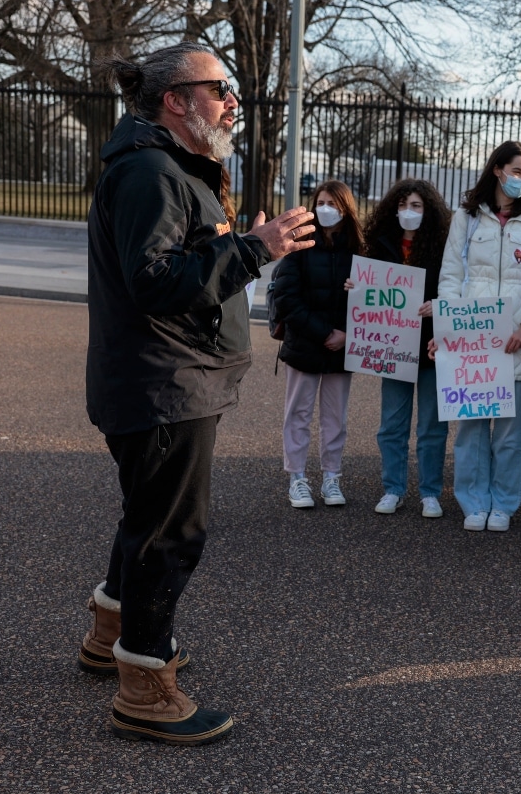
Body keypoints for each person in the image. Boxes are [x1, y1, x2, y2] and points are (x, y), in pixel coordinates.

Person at [80, 42, 315, 745]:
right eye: (220, 89)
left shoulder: (164, 165)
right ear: (176, 101)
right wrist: (254, 248)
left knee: (146, 517)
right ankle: (145, 689)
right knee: (170, 533)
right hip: (163, 384)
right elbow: (155, 281)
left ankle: (110, 638)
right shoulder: (153, 171)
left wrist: (240, 246)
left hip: (166, 380)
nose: (232, 101)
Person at [435, 140, 521, 532]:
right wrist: (449, 327)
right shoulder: (467, 217)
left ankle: (504, 504)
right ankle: (473, 502)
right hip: (473, 344)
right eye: (516, 171)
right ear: (497, 170)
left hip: (517, 345)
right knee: (471, 431)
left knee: (509, 436)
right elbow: (451, 277)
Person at [362, 179, 451, 518]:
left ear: (428, 211)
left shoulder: (442, 249)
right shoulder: (381, 244)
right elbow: (370, 289)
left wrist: (439, 305)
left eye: (416, 206)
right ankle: (393, 489)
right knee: (391, 425)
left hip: (431, 347)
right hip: (394, 349)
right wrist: (357, 288)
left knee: (431, 427)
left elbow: (455, 288)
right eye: (403, 205)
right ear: (392, 209)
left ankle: (430, 492)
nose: (408, 212)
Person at [277, 180, 362, 509]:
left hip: (342, 347)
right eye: (321, 201)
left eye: (334, 203)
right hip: (305, 344)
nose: (326, 208)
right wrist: (324, 333)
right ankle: (297, 478)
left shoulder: (358, 248)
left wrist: (345, 334)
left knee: (335, 417)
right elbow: (286, 297)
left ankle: (331, 477)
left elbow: (371, 304)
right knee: (297, 412)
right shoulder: (299, 243)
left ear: (346, 210)